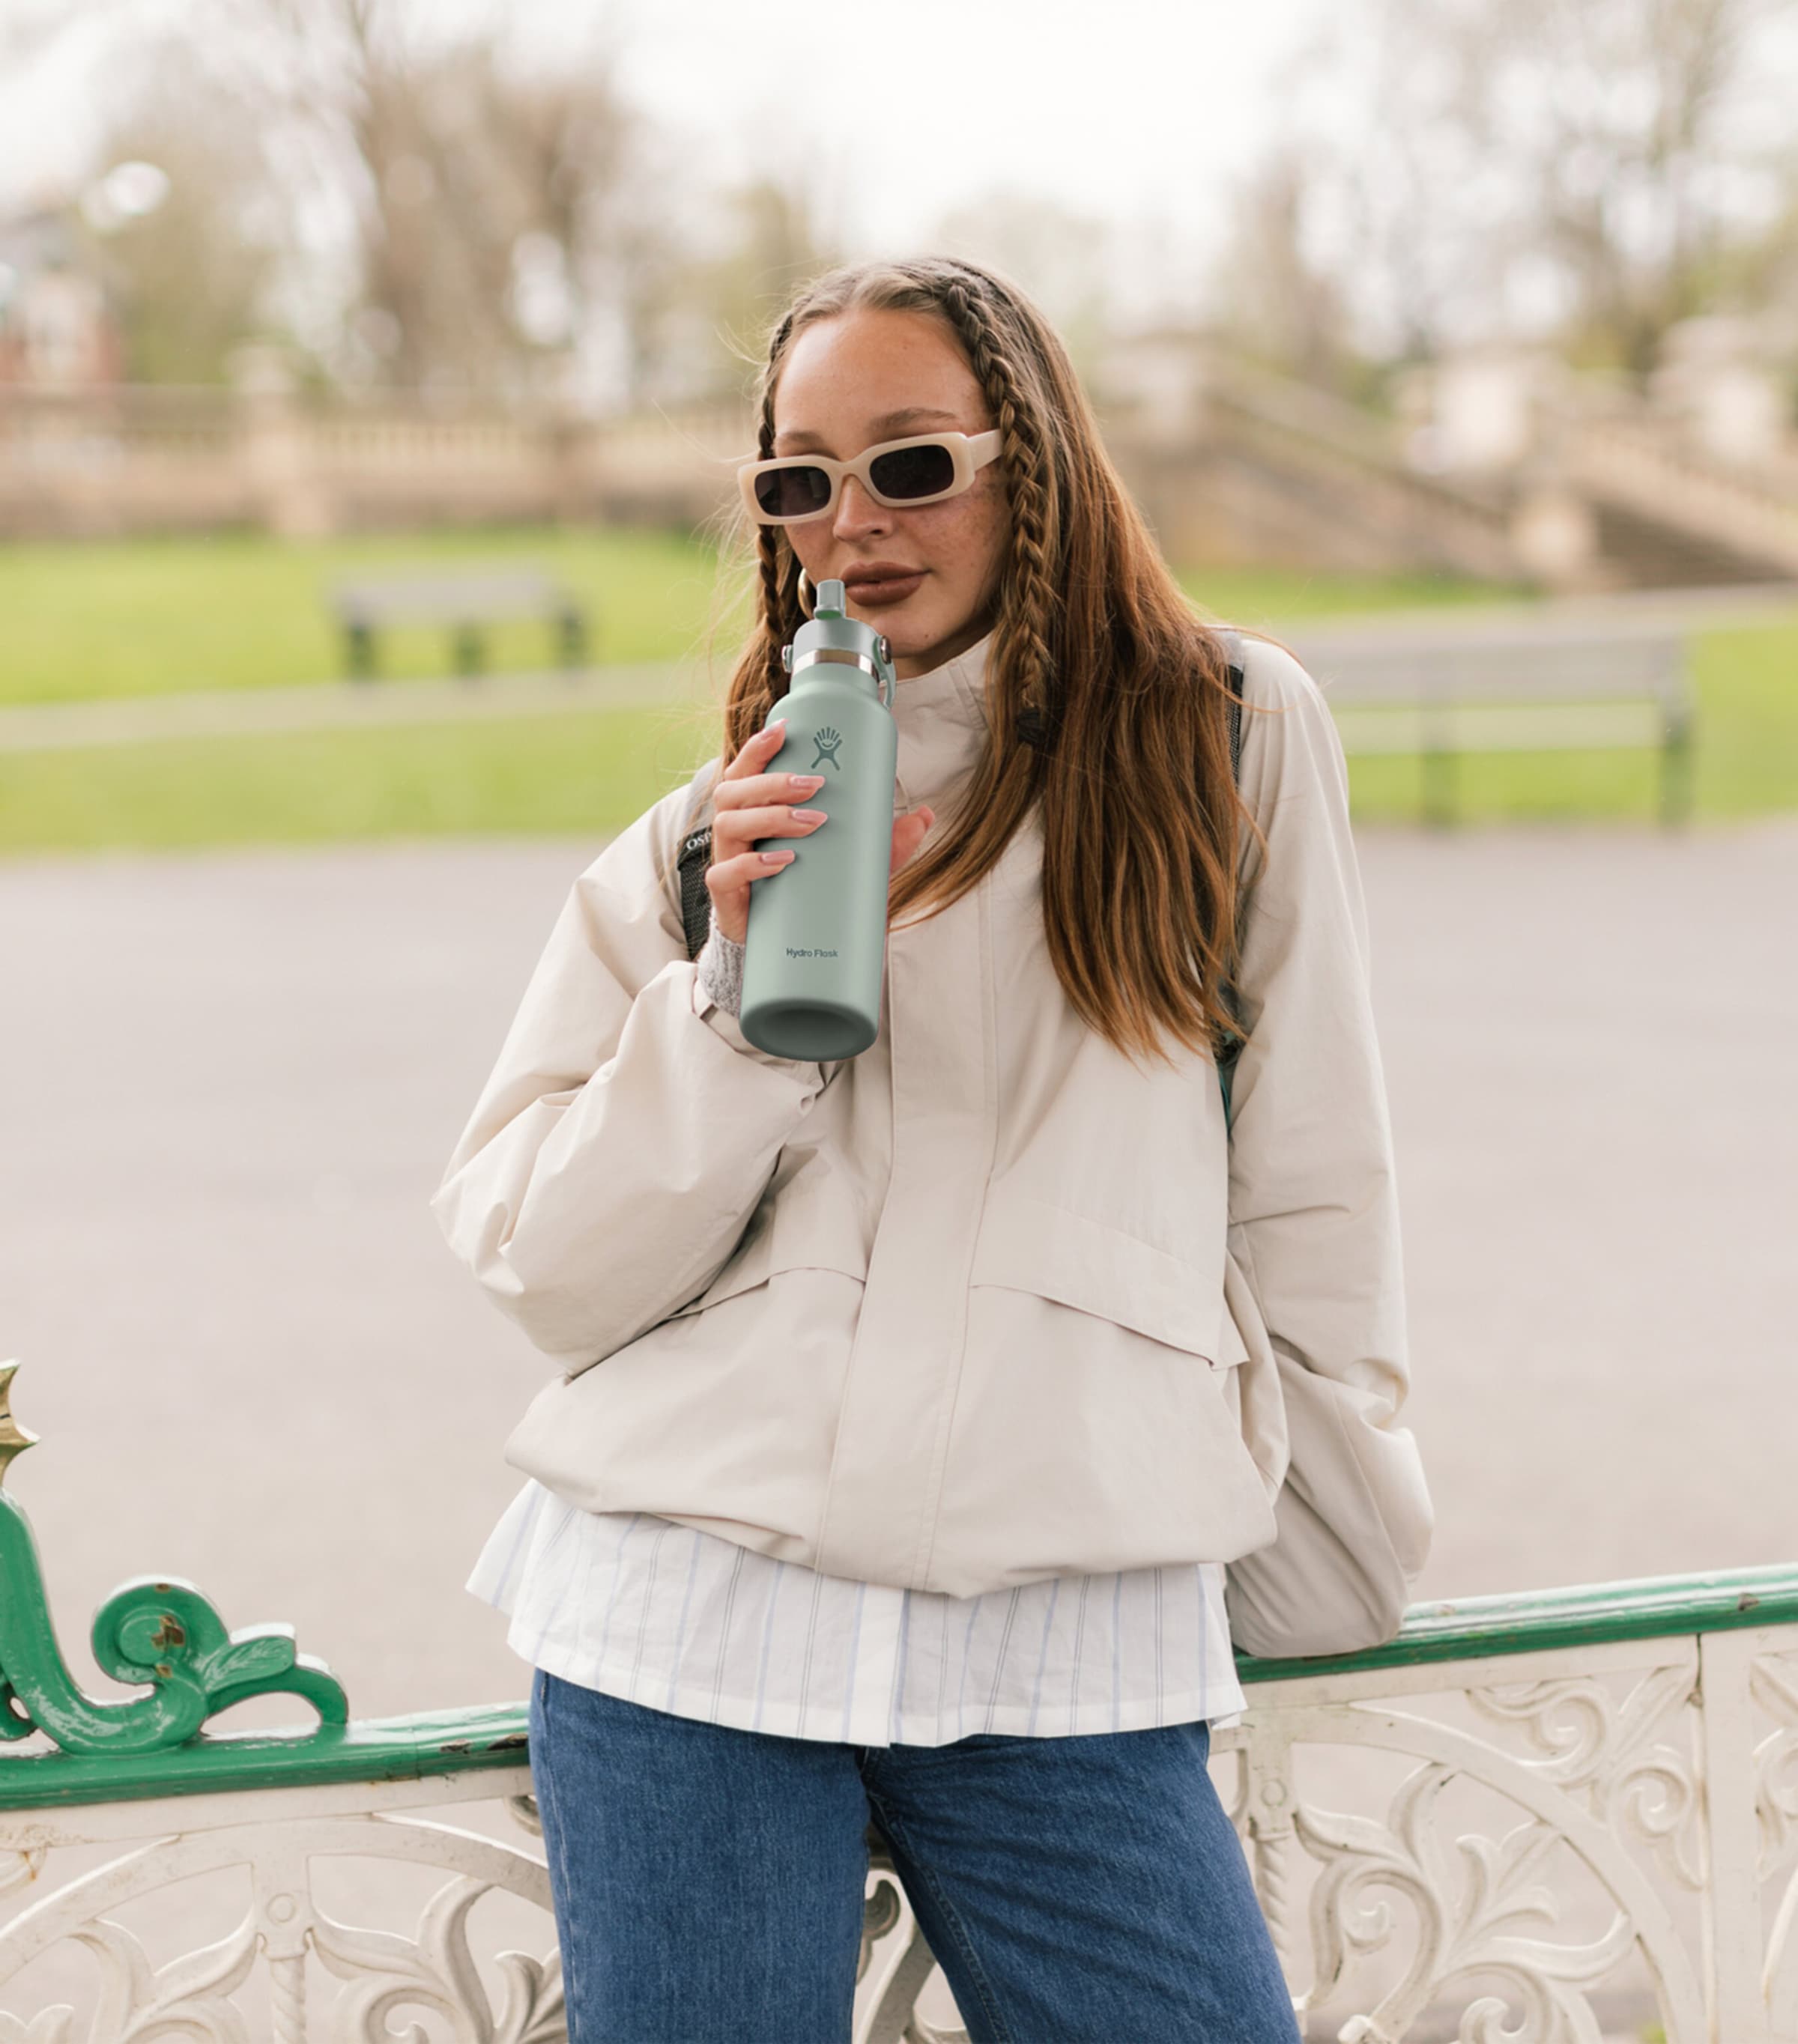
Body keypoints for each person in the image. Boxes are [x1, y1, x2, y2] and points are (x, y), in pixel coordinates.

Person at [433, 254, 1416, 2042]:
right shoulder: (705, 831)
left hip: (1070, 1631)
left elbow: (1314, 1175)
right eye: (798, 479)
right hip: (686, 1630)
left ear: (1029, 457)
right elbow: (541, 1262)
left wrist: (1334, 1531)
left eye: (910, 463)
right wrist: (734, 995)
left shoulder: (1228, 738)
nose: (853, 523)